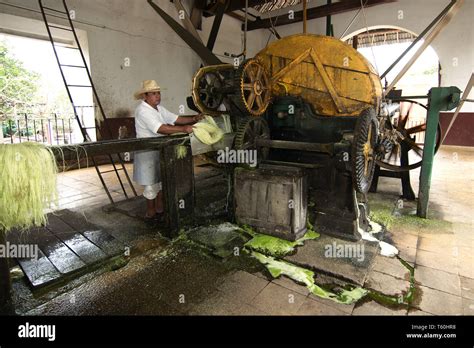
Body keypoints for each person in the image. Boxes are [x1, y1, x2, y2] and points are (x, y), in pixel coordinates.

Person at [133, 80, 202, 224]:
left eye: (158, 93)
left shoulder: (159, 109)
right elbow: (161, 128)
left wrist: (195, 118)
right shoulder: (143, 110)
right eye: (153, 94)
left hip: (160, 150)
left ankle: (160, 210)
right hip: (148, 151)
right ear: (145, 96)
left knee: (161, 182)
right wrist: (184, 129)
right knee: (151, 185)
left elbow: (177, 119)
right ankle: (150, 215)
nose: (157, 96)